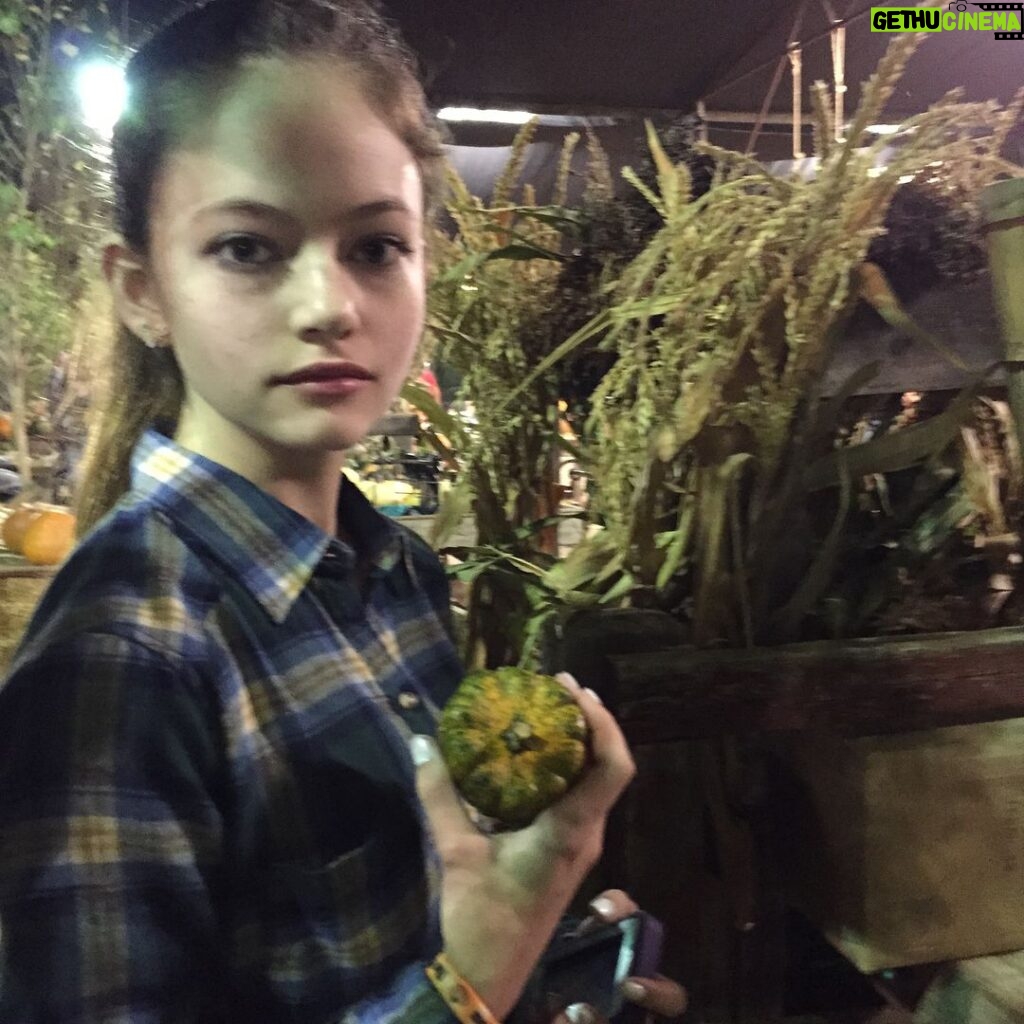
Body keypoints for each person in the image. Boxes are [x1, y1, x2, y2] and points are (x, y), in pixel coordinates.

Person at [0, 2, 687, 1022]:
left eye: (374, 246)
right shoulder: (121, 657)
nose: (330, 303)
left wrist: (557, 956)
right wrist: (476, 979)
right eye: (247, 247)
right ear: (141, 290)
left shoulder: (398, 572)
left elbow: (413, 920)